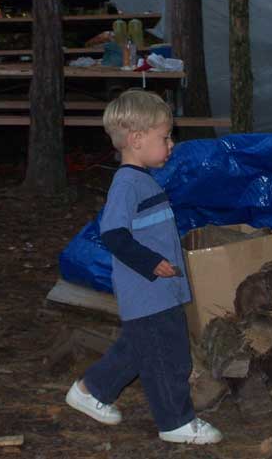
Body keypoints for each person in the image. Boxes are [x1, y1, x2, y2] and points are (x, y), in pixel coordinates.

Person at [65, 89, 222, 445]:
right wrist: (152, 264)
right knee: (168, 358)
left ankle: (91, 391)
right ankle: (175, 422)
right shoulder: (126, 184)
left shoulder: (142, 180)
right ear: (136, 140)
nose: (171, 144)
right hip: (147, 290)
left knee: (138, 349)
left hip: (159, 291)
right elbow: (114, 235)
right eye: (165, 137)